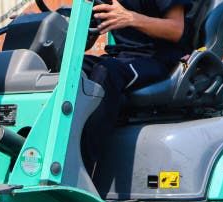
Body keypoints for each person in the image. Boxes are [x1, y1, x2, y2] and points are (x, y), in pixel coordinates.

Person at [81, 0, 193, 172]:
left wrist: (130, 18)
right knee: (74, 69)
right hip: (121, 56)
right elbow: (88, 40)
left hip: (159, 59)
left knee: (106, 73)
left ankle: (82, 169)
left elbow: (176, 30)